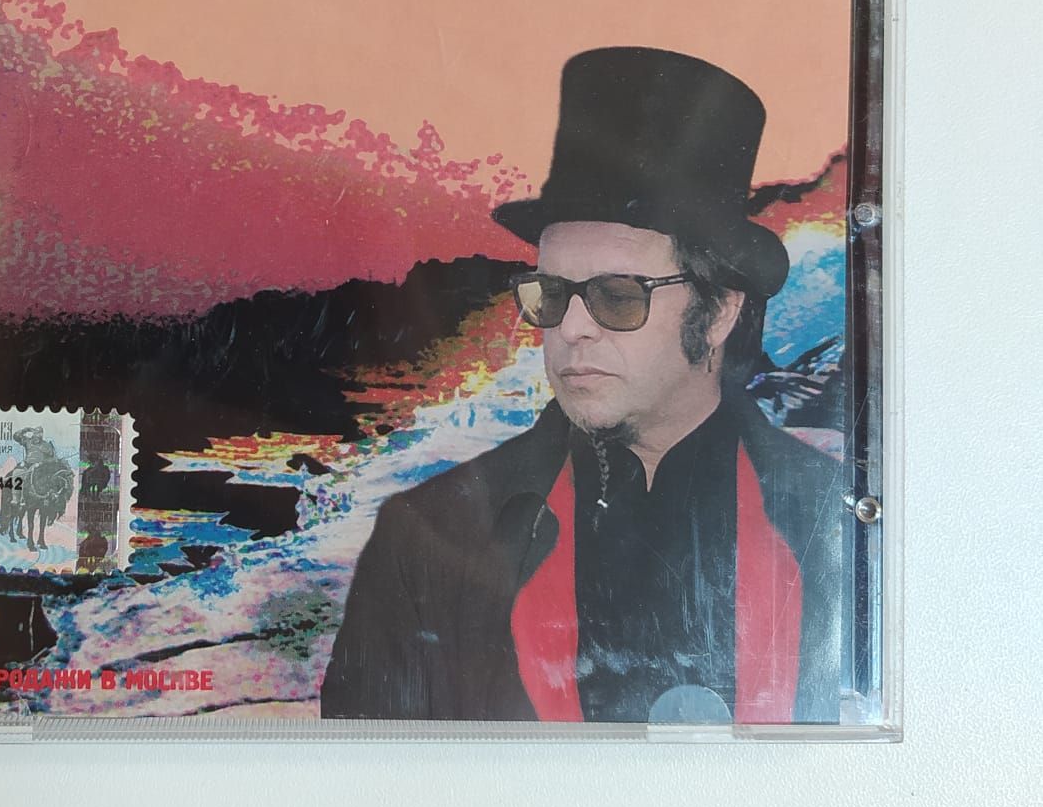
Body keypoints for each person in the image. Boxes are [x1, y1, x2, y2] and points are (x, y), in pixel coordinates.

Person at [320, 46, 849, 724]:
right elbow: (363, 781)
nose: (570, 328)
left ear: (719, 312)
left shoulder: (836, 523)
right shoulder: (427, 541)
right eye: (549, 294)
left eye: (617, 295)